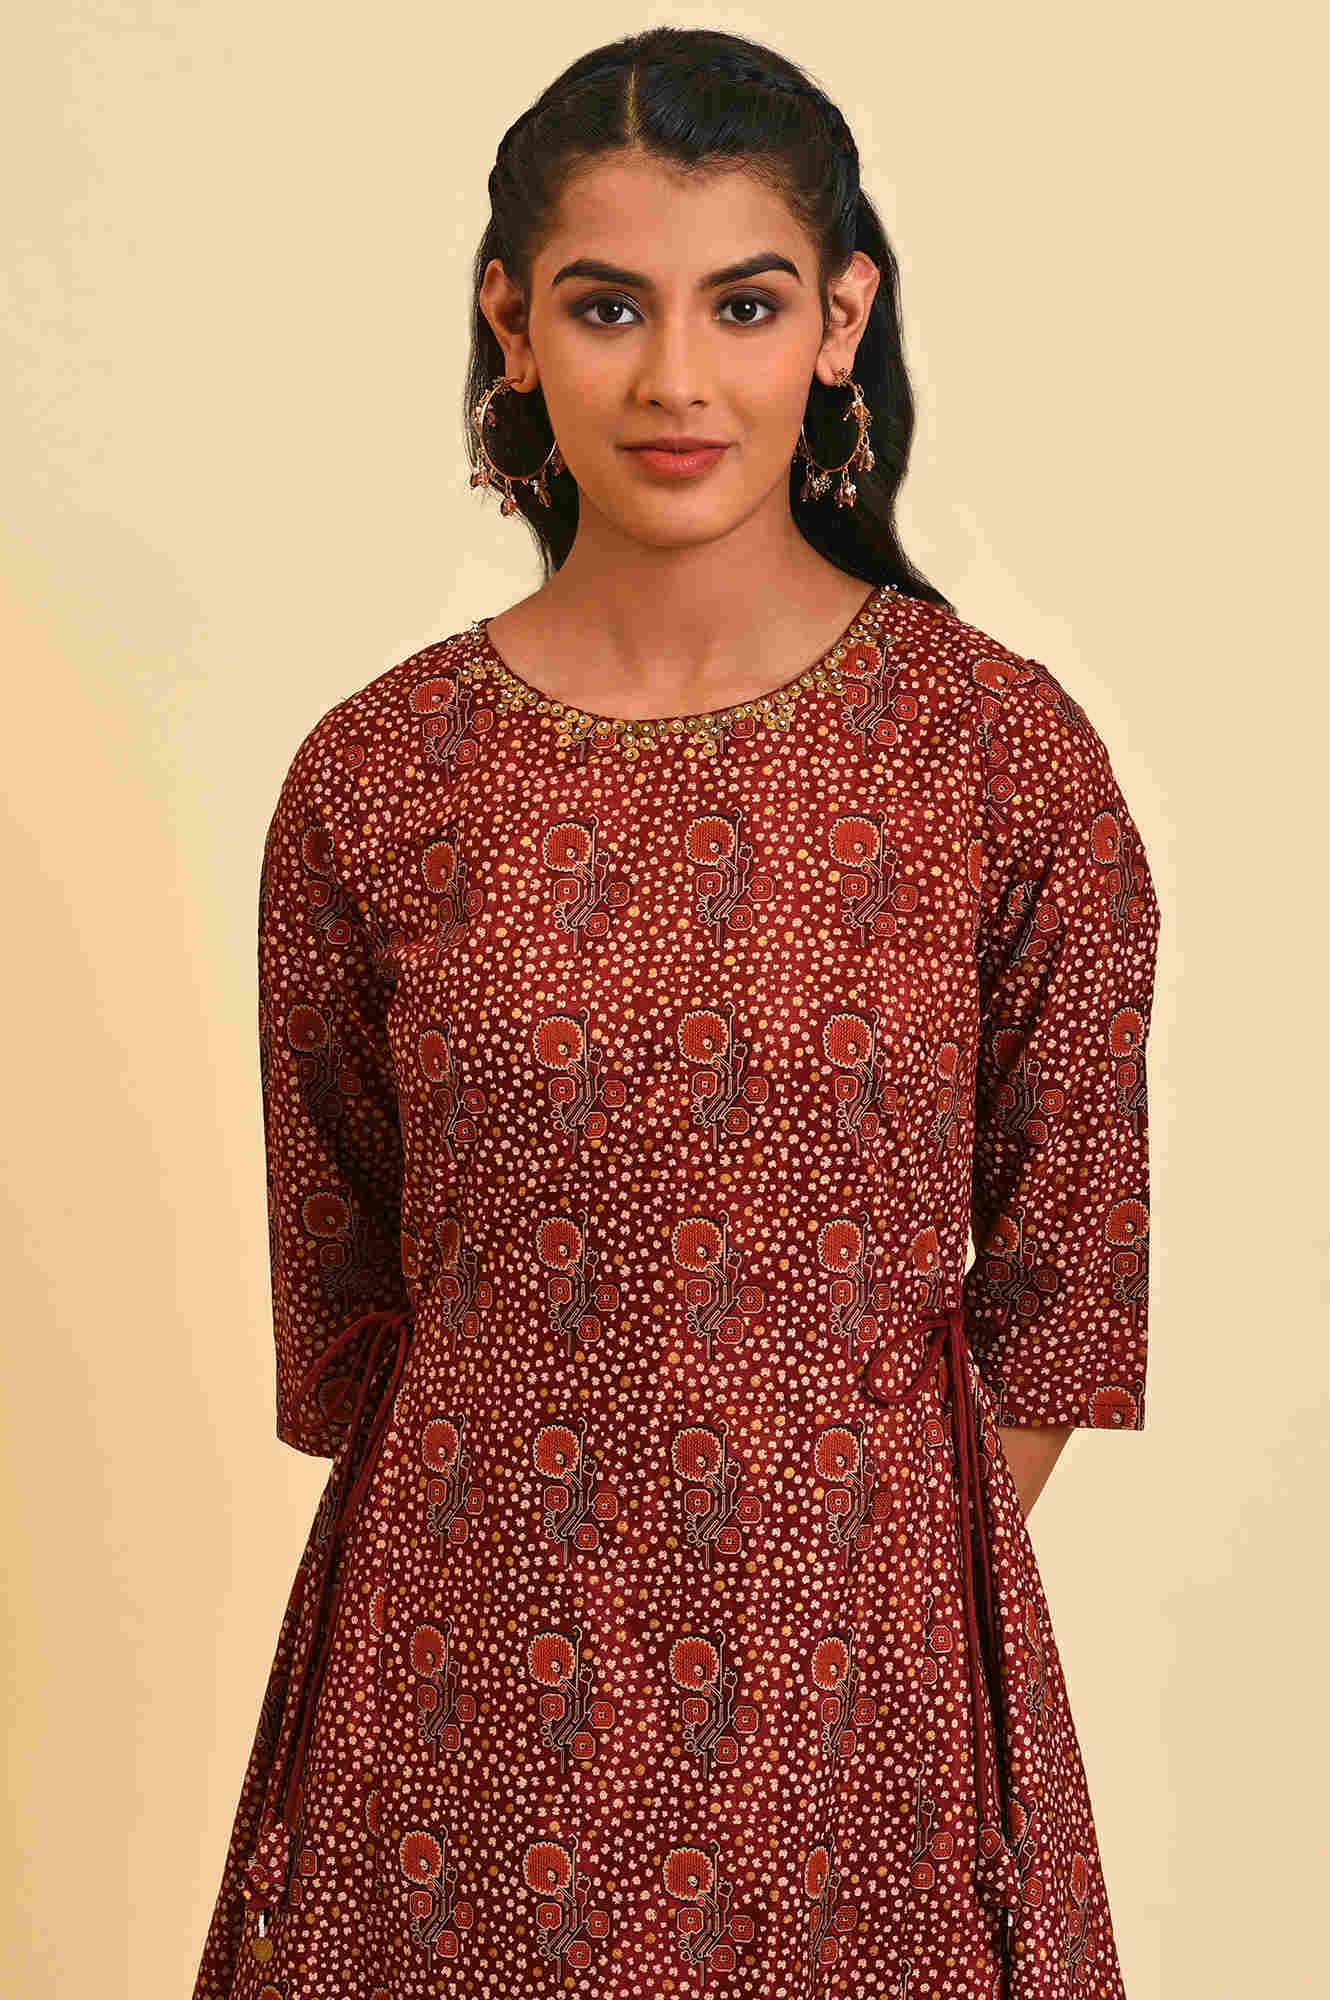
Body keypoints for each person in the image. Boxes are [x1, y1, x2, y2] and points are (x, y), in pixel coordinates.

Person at [192, 26, 1161, 2000]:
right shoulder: (378, 779)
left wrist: (836, 1561)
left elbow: (1064, 1291)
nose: (673, 381)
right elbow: (348, 1304)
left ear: (838, 320)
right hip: (453, 1707)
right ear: (510, 322)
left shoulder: (996, 760)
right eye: (606, 305)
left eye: (742, 304)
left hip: (860, 1715)